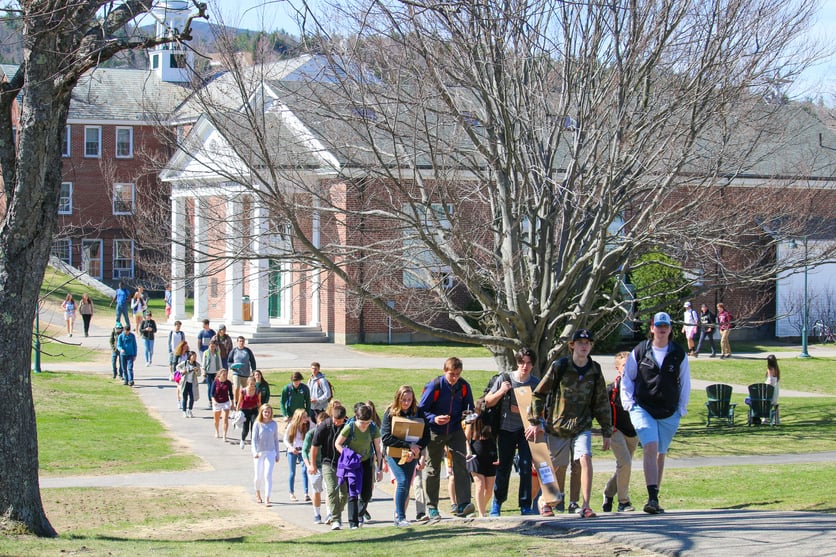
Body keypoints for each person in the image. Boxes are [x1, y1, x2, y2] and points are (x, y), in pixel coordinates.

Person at [525, 329, 612, 519]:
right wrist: (534, 420)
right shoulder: (560, 366)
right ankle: (544, 501)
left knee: (585, 459)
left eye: (587, 343)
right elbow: (539, 393)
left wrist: (607, 430)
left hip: (582, 425)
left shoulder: (594, 369)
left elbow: (601, 402)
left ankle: (586, 505)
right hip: (557, 426)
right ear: (572, 345)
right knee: (557, 466)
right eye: (580, 342)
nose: (584, 346)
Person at [621, 312, 691, 514]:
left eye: (665, 326)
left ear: (670, 329)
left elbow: (685, 382)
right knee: (651, 446)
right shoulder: (641, 350)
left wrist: (681, 408)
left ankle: (655, 498)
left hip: (669, 410)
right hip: (643, 407)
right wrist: (629, 403)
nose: (662, 329)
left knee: (661, 452)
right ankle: (651, 497)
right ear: (652, 328)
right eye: (658, 325)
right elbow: (628, 378)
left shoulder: (678, 353)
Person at [417, 356, 476, 519]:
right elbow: (421, 410)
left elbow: (469, 407)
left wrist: (469, 415)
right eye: (452, 374)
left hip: (456, 428)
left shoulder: (463, 386)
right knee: (433, 469)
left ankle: (463, 503)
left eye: (457, 374)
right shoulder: (434, 385)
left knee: (461, 465)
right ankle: (432, 507)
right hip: (435, 430)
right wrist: (434, 419)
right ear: (445, 371)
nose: (454, 378)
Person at [485, 347, 541, 516]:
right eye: (521, 362)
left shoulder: (535, 383)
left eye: (529, 363)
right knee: (504, 467)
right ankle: (497, 503)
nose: (524, 366)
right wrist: (502, 391)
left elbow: (543, 408)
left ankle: (525, 505)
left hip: (526, 431)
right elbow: (488, 401)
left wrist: (536, 424)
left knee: (525, 468)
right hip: (506, 429)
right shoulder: (505, 378)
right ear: (517, 362)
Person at [381, 385, 430, 527]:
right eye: (404, 400)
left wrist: (416, 449)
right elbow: (386, 438)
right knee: (401, 481)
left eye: (409, 399)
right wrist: (408, 446)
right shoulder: (390, 413)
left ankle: (399, 514)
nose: (407, 403)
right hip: (395, 453)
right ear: (398, 399)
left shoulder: (418, 412)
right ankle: (400, 517)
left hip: (413, 454)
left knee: (407, 485)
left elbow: (426, 435)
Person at [335, 404, 383, 530]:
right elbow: (337, 443)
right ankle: (353, 523)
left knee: (367, 494)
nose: (364, 426)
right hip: (352, 464)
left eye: (367, 423)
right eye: (362, 422)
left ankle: (360, 513)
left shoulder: (373, 428)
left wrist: (379, 468)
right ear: (356, 417)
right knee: (352, 493)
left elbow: (378, 449)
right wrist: (348, 455)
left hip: (367, 461)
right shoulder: (349, 427)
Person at [602, 351, 638, 513]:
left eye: (630, 365)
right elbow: (603, 411)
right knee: (625, 463)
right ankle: (623, 501)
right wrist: (608, 430)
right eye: (624, 365)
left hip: (634, 431)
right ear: (618, 368)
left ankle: (609, 492)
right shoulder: (611, 390)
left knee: (624, 467)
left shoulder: (640, 387)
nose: (627, 368)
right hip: (616, 430)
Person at [310, 403, 349, 530]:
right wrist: (313, 464)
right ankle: (336, 520)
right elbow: (314, 447)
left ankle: (335, 513)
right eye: (335, 420)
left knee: (345, 494)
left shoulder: (348, 426)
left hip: (344, 464)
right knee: (332, 490)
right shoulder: (324, 426)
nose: (337, 423)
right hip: (328, 462)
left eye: (340, 421)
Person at [466, 400, 498, 518]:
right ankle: (481, 514)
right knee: (479, 485)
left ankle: (481, 507)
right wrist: (468, 451)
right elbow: (466, 437)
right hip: (476, 455)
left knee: (489, 490)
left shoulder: (491, 419)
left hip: (490, 454)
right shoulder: (472, 420)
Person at [251, 404, 281, 506]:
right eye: (265, 412)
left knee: (268, 475)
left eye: (268, 412)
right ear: (261, 412)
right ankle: (257, 493)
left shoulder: (273, 424)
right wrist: (255, 452)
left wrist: (277, 453)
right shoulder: (257, 424)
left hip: (270, 452)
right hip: (259, 453)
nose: (267, 414)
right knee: (258, 476)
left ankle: (267, 498)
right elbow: (254, 440)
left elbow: (276, 439)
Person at [303, 411, 328, 524]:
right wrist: (309, 465)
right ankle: (317, 514)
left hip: (327, 464)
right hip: (314, 466)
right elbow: (304, 451)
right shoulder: (311, 434)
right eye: (320, 424)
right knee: (316, 490)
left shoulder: (330, 433)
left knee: (329, 490)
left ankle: (329, 513)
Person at [284, 408, 311, 503]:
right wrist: (291, 448)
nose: (306, 418)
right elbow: (285, 439)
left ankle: (306, 493)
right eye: (304, 417)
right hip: (293, 450)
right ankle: (291, 493)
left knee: (305, 470)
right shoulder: (291, 426)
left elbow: (315, 430)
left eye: (306, 416)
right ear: (299, 417)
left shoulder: (308, 425)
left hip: (303, 451)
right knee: (292, 472)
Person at [228, 336, 257, 407]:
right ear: (237, 342)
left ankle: (245, 403)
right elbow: (229, 361)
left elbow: (252, 361)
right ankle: (236, 402)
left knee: (246, 389)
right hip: (236, 373)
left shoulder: (247, 351)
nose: (241, 343)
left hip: (246, 373)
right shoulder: (234, 351)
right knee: (236, 387)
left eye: (242, 341)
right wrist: (232, 366)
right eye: (240, 341)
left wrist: (254, 370)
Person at [237, 376, 262, 449]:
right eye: (251, 384)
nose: (252, 386)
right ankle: (242, 439)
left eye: (254, 384)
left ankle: (253, 442)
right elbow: (239, 401)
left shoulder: (257, 391)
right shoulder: (243, 391)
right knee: (246, 428)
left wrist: (260, 411)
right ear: (248, 383)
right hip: (245, 410)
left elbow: (259, 402)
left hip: (254, 410)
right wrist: (237, 410)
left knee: (254, 426)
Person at [177, 350, 201, 418]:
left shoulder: (197, 364)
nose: (195, 358)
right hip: (185, 382)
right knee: (185, 398)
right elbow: (177, 367)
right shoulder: (185, 363)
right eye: (193, 356)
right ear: (190, 356)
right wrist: (182, 371)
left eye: (195, 356)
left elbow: (199, 374)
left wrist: (196, 371)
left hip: (192, 383)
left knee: (192, 398)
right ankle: (184, 411)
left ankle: (190, 410)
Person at [212, 368, 234, 440]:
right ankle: (217, 431)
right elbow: (211, 393)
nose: (225, 376)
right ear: (220, 375)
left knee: (225, 419)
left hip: (225, 402)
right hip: (217, 401)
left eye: (226, 374)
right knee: (216, 419)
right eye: (223, 374)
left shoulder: (228, 383)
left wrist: (232, 403)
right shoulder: (215, 382)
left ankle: (224, 435)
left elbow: (231, 393)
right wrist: (214, 401)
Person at [203, 340, 224, 409]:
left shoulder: (217, 353)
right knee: (210, 386)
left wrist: (220, 371)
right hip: (209, 372)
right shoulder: (206, 353)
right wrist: (204, 372)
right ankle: (210, 400)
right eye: (211, 346)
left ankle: (216, 399)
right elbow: (204, 363)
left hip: (216, 372)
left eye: (213, 346)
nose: (212, 347)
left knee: (216, 387)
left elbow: (220, 362)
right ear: (209, 346)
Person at [116, 322, 138, 387]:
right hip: (123, 355)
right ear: (124, 330)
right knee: (124, 368)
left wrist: (135, 354)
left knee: (130, 367)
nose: (127, 333)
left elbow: (134, 345)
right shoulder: (121, 336)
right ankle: (126, 380)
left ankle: (131, 380)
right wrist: (121, 349)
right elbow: (119, 345)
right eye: (126, 331)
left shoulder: (132, 336)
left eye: (128, 331)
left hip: (130, 354)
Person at [765, 354, 781, 423]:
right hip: (776, 389)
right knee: (775, 404)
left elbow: (770, 380)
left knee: (766, 403)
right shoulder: (777, 369)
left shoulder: (770, 369)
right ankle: (777, 419)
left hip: (770, 389)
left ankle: (764, 418)